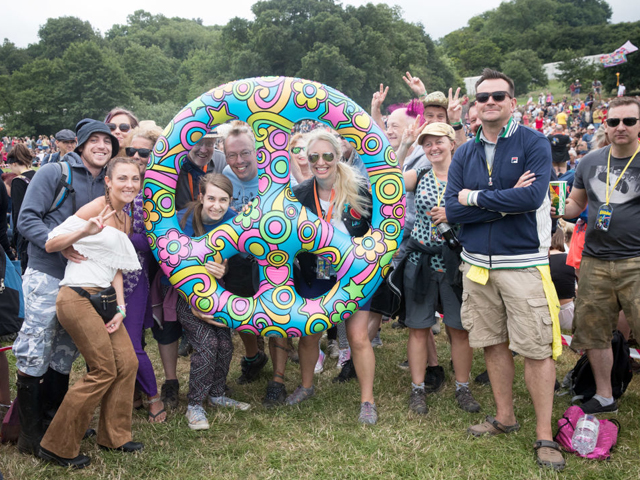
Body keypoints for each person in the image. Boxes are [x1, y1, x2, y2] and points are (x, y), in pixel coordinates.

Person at [445, 69, 564, 471]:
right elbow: (452, 210)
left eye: (498, 95)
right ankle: (505, 418)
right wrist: (501, 200)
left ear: (512, 102)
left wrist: (475, 198)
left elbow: (531, 198)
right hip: (476, 265)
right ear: (475, 105)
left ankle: (545, 435)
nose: (490, 102)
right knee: (493, 343)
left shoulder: (534, 142)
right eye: (483, 97)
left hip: (523, 264)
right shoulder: (463, 152)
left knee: (535, 349)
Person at [13, 119, 119, 457]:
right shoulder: (54, 173)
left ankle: (52, 421)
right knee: (36, 344)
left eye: (108, 141)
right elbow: (27, 218)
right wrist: (57, 242)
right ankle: (29, 435)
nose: (102, 146)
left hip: (81, 280)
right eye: (95, 140)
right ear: (82, 143)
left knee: (64, 350)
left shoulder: (108, 183)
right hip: (46, 273)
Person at [38, 157, 143, 469]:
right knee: (103, 370)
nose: (130, 185)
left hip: (105, 300)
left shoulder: (127, 216)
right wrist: (82, 230)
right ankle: (57, 445)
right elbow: (51, 243)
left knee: (127, 362)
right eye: (122, 178)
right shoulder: (94, 207)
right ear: (108, 181)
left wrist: (122, 308)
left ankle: (115, 436)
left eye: (135, 179)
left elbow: (115, 266)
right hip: (76, 297)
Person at [289, 129, 378, 424]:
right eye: (314, 156)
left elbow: (379, 228)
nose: (321, 162)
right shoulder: (301, 193)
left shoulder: (360, 189)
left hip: (354, 273)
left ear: (338, 156)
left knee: (357, 337)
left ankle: (367, 401)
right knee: (309, 332)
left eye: (328, 155)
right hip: (317, 271)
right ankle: (306, 386)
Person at [561, 96, 640, 414]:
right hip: (594, 260)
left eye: (629, 121)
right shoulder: (590, 161)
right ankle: (605, 396)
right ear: (604, 125)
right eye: (614, 121)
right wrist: (548, 205)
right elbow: (574, 206)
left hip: (636, 259)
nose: (620, 127)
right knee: (594, 331)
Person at [399, 122, 480, 415]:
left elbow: (482, 207)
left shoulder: (467, 176)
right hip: (420, 261)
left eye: (439, 142)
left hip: (454, 262)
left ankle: (463, 387)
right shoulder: (418, 174)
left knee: (457, 329)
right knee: (418, 328)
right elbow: (387, 181)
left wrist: (452, 212)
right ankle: (418, 389)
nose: (433, 148)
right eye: (427, 144)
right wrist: (403, 145)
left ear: (451, 143)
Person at [176, 173, 250, 430]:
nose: (217, 205)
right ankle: (194, 405)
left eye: (223, 200)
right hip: (185, 294)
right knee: (207, 344)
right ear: (200, 197)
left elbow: (230, 256)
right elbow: (173, 264)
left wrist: (224, 267)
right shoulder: (182, 221)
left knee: (225, 344)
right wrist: (195, 302)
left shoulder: (231, 220)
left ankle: (217, 393)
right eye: (211, 198)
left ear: (231, 201)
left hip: (217, 294)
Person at [121, 122, 167, 422]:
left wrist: (118, 234)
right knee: (124, 336)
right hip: (107, 273)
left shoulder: (158, 190)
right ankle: (133, 394)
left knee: (131, 342)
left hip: (136, 274)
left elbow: (155, 240)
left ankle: (153, 396)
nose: (138, 156)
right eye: (132, 150)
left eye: (145, 152)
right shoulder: (121, 181)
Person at [175, 130, 227, 210]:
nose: (203, 150)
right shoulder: (173, 165)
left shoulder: (222, 161)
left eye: (209, 144)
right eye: (198, 143)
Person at [7, 144, 36, 271]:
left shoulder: (18, 181)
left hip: (25, 235)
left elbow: (17, 213)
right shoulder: (37, 175)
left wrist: (15, 241)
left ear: (13, 163)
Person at [549, 226, 576, 330]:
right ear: (563, 239)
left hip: (545, 310)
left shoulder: (540, 261)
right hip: (567, 312)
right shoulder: (570, 259)